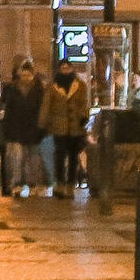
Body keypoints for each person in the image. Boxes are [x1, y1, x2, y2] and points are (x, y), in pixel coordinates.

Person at [44, 63, 91, 198]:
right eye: (63, 68)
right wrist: (43, 125)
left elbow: (84, 103)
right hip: (59, 127)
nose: (65, 70)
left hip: (76, 127)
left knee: (73, 157)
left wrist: (84, 117)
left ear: (72, 69)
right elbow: (46, 105)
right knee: (59, 156)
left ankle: (70, 186)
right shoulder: (52, 86)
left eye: (67, 68)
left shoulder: (80, 85)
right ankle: (60, 185)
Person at [0, 60, 45, 195]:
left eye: (28, 75)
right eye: (23, 75)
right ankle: (17, 184)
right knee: (16, 159)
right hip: (16, 129)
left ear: (33, 75)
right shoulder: (11, 89)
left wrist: (42, 127)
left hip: (33, 129)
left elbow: (42, 110)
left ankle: (33, 184)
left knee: (33, 159)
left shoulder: (39, 89)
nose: (25, 78)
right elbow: (5, 108)